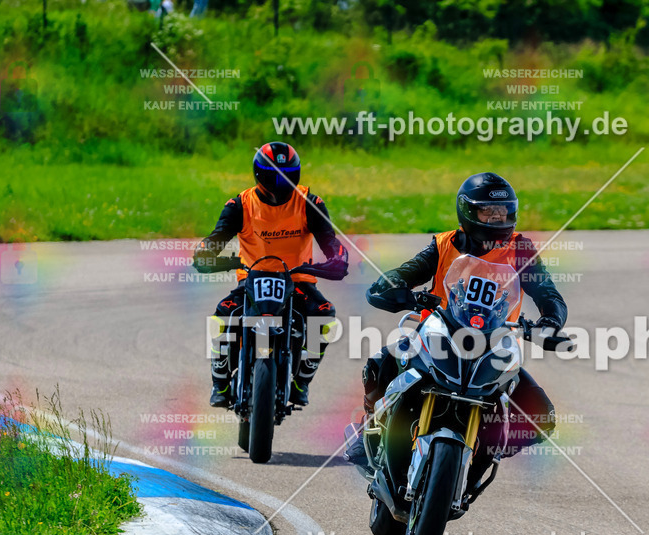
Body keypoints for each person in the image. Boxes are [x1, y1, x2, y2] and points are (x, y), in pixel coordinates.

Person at [345, 172, 567, 478]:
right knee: (379, 364)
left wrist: (551, 321)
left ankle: (488, 446)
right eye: (487, 212)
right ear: (467, 211)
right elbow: (405, 273)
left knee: (542, 416)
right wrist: (395, 286)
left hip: (494, 346)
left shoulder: (521, 249)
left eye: (502, 212)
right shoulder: (443, 244)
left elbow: (548, 293)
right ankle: (369, 429)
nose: (495, 218)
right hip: (436, 338)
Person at [193, 141, 348, 408]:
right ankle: (220, 381)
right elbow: (215, 239)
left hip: (297, 280)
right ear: (259, 175)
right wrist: (206, 253)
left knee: (324, 315)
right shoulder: (239, 205)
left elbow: (329, 239)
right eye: (273, 176)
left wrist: (337, 258)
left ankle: (302, 381)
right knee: (222, 315)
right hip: (252, 279)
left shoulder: (310, 202)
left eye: (287, 176)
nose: (280, 184)